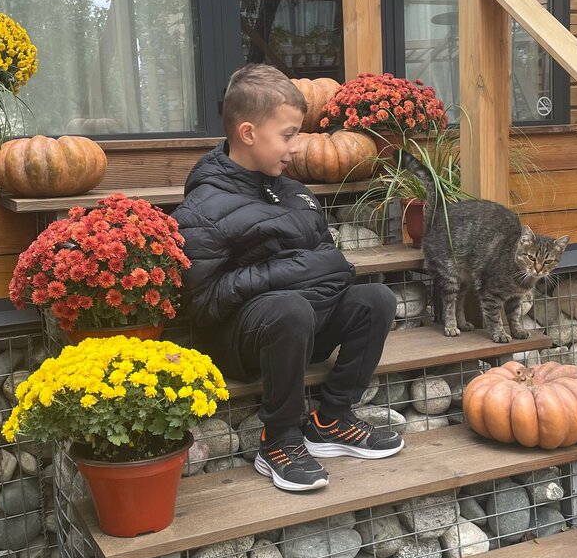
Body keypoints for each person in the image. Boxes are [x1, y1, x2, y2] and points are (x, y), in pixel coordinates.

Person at [173, 64, 404, 493]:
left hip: (303, 328)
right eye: (288, 135)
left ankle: (331, 419)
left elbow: (326, 261)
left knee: (376, 300)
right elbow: (202, 303)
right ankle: (278, 439)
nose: (297, 147)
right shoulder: (203, 208)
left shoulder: (295, 192)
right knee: (290, 308)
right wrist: (288, 273)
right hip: (243, 343)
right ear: (248, 133)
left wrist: (313, 272)